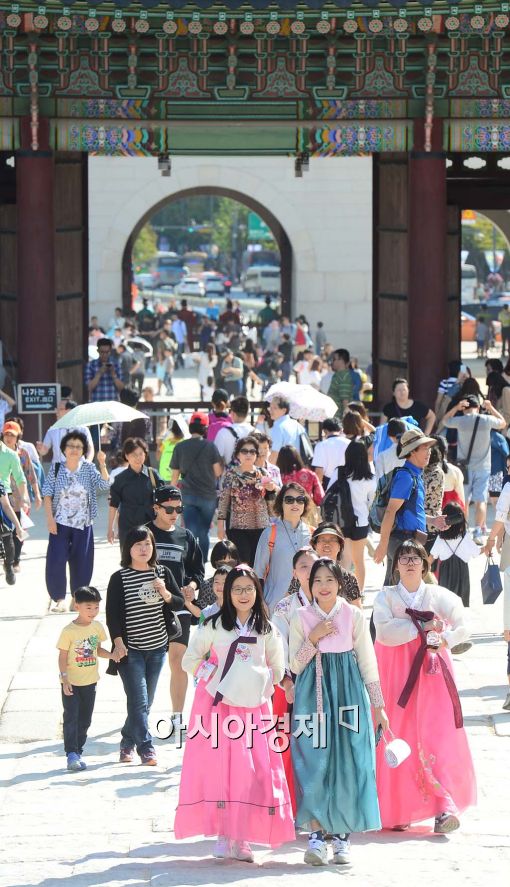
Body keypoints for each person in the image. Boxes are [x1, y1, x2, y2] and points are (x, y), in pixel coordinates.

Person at [174, 565, 295, 861]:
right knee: (221, 769)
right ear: (227, 593)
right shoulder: (213, 625)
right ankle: (224, 833)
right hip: (218, 707)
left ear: (257, 592)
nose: (243, 594)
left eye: (249, 589)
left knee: (251, 772)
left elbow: (278, 668)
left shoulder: (266, 629)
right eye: (237, 589)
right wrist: (214, 677)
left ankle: (242, 838)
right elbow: (189, 660)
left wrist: (262, 680)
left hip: (254, 710)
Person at [289, 558, 388, 866]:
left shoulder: (353, 615)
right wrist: (314, 637)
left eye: (329, 580)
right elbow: (294, 665)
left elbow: (367, 661)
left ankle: (342, 837)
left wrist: (378, 706)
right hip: (312, 695)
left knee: (348, 761)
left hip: (348, 695)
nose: (323, 586)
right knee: (313, 760)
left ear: (339, 583)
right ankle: (317, 836)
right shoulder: (301, 617)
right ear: (309, 585)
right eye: (317, 580)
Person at [373, 540, 476, 833]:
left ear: (424, 564)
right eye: (404, 558)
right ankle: (400, 808)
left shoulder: (437, 595)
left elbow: (463, 625)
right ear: (395, 566)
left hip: (432, 672)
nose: (409, 563)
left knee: (437, 734)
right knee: (398, 734)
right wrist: (423, 627)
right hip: (396, 673)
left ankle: (444, 808)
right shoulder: (385, 597)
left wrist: (446, 640)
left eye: (415, 558)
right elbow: (384, 632)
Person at [106, 526, 184, 765]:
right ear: (128, 549)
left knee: (145, 702)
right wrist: (118, 643)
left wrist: (165, 592)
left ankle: (126, 742)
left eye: (147, 544)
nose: (143, 549)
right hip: (130, 651)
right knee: (139, 701)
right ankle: (146, 748)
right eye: (138, 545)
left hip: (158, 648)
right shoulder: (119, 578)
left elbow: (178, 602)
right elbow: (112, 615)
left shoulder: (162, 572)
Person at [147, 486, 204, 725]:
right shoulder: (144, 534)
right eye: (168, 509)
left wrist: (192, 585)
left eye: (178, 509)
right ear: (156, 508)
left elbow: (197, 571)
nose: (174, 514)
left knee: (178, 660)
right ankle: (142, 712)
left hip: (179, 606)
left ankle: (177, 716)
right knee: (150, 663)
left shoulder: (186, 536)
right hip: (148, 607)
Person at [272, 546, 319, 814]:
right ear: (294, 572)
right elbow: (277, 647)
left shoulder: (334, 603)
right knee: (289, 743)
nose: (309, 571)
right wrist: (287, 681)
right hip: (293, 682)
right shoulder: (285, 606)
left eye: (314, 565)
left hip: (327, 680)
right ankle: (290, 802)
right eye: (303, 566)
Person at [43, 431, 110, 612]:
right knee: (56, 561)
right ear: (64, 449)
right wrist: (50, 519)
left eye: (79, 447)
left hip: (83, 524)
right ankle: (59, 599)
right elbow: (47, 494)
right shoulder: (57, 468)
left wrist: (102, 463)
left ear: (83, 450)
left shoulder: (88, 468)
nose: (74, 449)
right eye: (71, 446)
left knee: (82, 562)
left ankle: (76, 598)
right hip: (60, 523)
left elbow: (104, 485)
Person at [374, 429, 448, 583]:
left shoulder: (415, 475)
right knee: (406, 589)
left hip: (408, 542)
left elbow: (411, 511)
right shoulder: (406, 477)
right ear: (412, 451)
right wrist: (382, 544)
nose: (429, 452)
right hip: (403, 542)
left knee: (396, 588)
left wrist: (433, 520)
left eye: (429, 448)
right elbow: (390, 511)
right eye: (424, 448)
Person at [57, 586, 118, 771]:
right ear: (77, 606)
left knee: (85, 719)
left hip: (90, 681)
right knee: (71, 717)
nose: (93, 611)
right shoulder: (68, 631)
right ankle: (71, 753)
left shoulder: (97, 627)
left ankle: (78, 751)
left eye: (96, 607)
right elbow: (62, 657)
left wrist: (112, 655)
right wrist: (64, 679)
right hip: (71, 682)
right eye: (88, 607)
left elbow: (97, 650)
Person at [442, 395, 506, 540]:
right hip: (483, 466)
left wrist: (456, 408)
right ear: (478, 407)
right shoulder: (486, 420)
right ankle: (478, 531)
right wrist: (490, 408)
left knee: (464, 499)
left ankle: (463, 530)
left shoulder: (461, 420)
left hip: (464, 467)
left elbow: (445, 421)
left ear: (464, 408)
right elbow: (503, 423)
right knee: (480, 500)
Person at [170, 411, 222, 562]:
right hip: (208, 496)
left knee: (190, 531)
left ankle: (190, 561)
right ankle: (202, 562)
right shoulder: (210, 446)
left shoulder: (180, 447)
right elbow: (218, 472)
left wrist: (172, 495)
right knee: (204, 531)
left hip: (188, 495)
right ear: (205, 428)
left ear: (190, 427)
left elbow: (174, 476)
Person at [254, 482, 312, 613]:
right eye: (289, 500)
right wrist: (260, 602)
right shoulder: (269, 533)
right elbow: (258, 573)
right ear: (281, 503)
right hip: (274, 607)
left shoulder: (312, 534)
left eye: (300, 500)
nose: (295, 504)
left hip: (308, 609)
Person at [217, 436, 276, 565]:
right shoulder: (231, 474)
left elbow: (271, 500)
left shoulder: (263, 473)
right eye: (244, 451)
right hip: (237, 527)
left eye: (252, 451)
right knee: (243, 561)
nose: (248, 454)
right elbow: (223, 502)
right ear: (238, 454)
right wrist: (220, 527)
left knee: (257, 562)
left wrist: (271, 489)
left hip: (260, 526)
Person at [1, 420, 41, 573]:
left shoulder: (22, 454)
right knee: (5, 529)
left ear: (18, 436)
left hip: (19, 498)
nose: (9, 437)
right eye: (6, 434)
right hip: (4, 496)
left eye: (12, 435)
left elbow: (31, 475)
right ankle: (7, 558)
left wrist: (37, 494)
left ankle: (15, 560)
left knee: (18, 529)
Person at [108, 437, 161, 547]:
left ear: (145, 454)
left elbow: (163, 499)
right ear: (127, 456)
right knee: (128, 556)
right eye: (134, 455)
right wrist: (110, 529)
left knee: (150, 556)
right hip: (127, 526)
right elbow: (113, 505)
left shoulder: (153, 475)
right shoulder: (120, 479)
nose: (138, 458)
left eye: (141, 454)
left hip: (151, 526)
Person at [341, 441, 377, 593]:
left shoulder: (340, 474)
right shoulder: (371, 479)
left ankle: (343, 593)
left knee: (345, 559)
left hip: (342, 521)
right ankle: (358, 594)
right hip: (361, 522)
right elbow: (372, 502)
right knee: (359, 560)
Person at [431, 503, 480, 608]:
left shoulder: (440, 539)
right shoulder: (465, 537)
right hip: (462, 575)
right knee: (461, 605)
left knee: (445, 604)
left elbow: (431, 558)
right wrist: (488, 547)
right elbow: (477, 552)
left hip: (445, 575)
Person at [310, 523, 362, 606]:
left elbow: (358, 610)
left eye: (332, 540)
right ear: (315, 545)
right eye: (322, 540)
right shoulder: (305, 575)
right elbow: (288, 604)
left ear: (340, 546)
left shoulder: (348, 578)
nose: (327, 544)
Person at [36, 400, 95, 465]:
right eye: (57, 409)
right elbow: (44, 451)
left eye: (60, 409)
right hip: (58, 468)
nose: (57, 412)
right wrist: (41, 449)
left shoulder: (83, 429)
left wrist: (88, 462)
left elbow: (90, 449)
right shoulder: (52, 429)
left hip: (79, 467)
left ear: (70, 411)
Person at [195, 540, 240, 613]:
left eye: (231, 563)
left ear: (237, 562)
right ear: (214, 562)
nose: (226, 567)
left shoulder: (242, 584)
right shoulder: (206, 586)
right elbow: (201, 614)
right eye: (222, 564)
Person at [213, 395, 253, 467]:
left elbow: (216, 462)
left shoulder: (223, 433)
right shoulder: (256, 432)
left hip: (229, 473)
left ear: (232, 413)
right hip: (252, 473)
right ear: (247, 413)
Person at [312, 417, 349, 489]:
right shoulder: (349, 443)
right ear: (340, 429)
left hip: (328, 483)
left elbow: (319, 471)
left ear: (325, 430)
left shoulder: (321, 445)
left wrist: (317, 489)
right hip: (347, 482)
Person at [84, 337, 124, 403]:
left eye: (107, 352)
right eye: (102, 352)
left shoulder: (116, 365)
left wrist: (113, 375)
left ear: (110, 351)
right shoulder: (91, 365)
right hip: (96, 404)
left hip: (113, 404)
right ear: (98, 351)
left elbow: (121, 388)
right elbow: (89, 388)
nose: (104, 355)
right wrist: (99, 373)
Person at [268, 396, 302, 463]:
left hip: (282, 466)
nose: (271, 410)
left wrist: (269, 468)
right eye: (270, 407)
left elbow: (274, 454)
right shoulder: (296, 424)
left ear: (284, 410)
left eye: (274, 408)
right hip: (297, 465)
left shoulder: (278, 427)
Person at [158, 416, 188, 481]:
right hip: (178, 478)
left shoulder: (165, 442)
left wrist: (159, 445)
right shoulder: (185, 444)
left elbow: (158, 457)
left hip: (164, 476)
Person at [327, 348, 354, 418]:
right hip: (334, 416)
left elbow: (345, 399)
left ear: (341, 361)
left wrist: (346, 418)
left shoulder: (344, 377)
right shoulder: (339, 375)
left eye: (334, 359)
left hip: (338, 419)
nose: (332, 362)